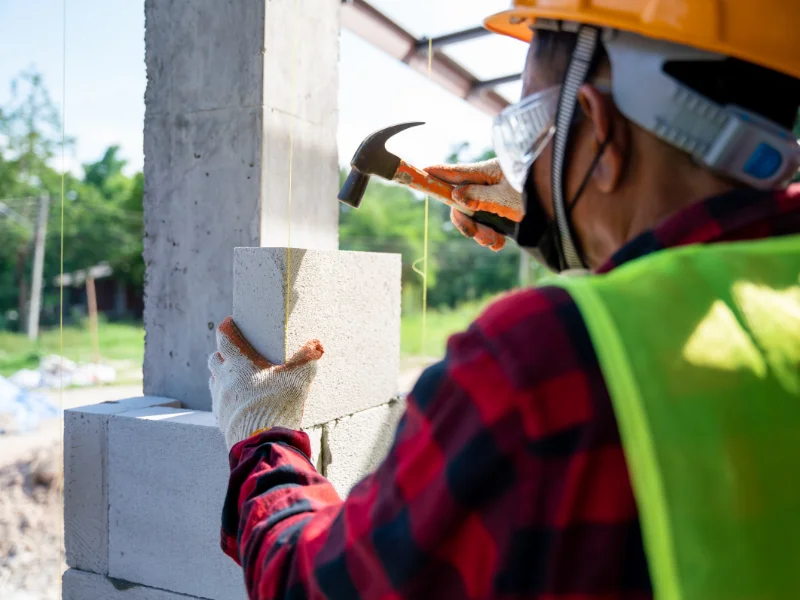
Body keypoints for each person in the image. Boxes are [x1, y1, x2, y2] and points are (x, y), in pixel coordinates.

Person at [209, 1, 800, 598]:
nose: (527, 171)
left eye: (528, 137)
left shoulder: (543, 364)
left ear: (600, 127)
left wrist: (263, 438)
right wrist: (560, 198)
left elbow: (321, 586)